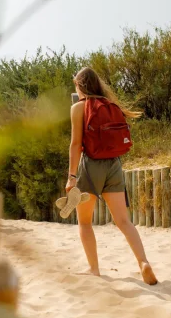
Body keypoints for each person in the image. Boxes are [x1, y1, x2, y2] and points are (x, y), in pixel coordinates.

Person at [66, 66, 158, 285]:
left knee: (85, 222)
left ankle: (94, 269)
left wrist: (71, 176)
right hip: (115, 165)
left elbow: (76, 145)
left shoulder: (79, 107)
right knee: (124, 221)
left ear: (79, 85)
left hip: (91, 166)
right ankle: (143, 262)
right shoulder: (112, 105)